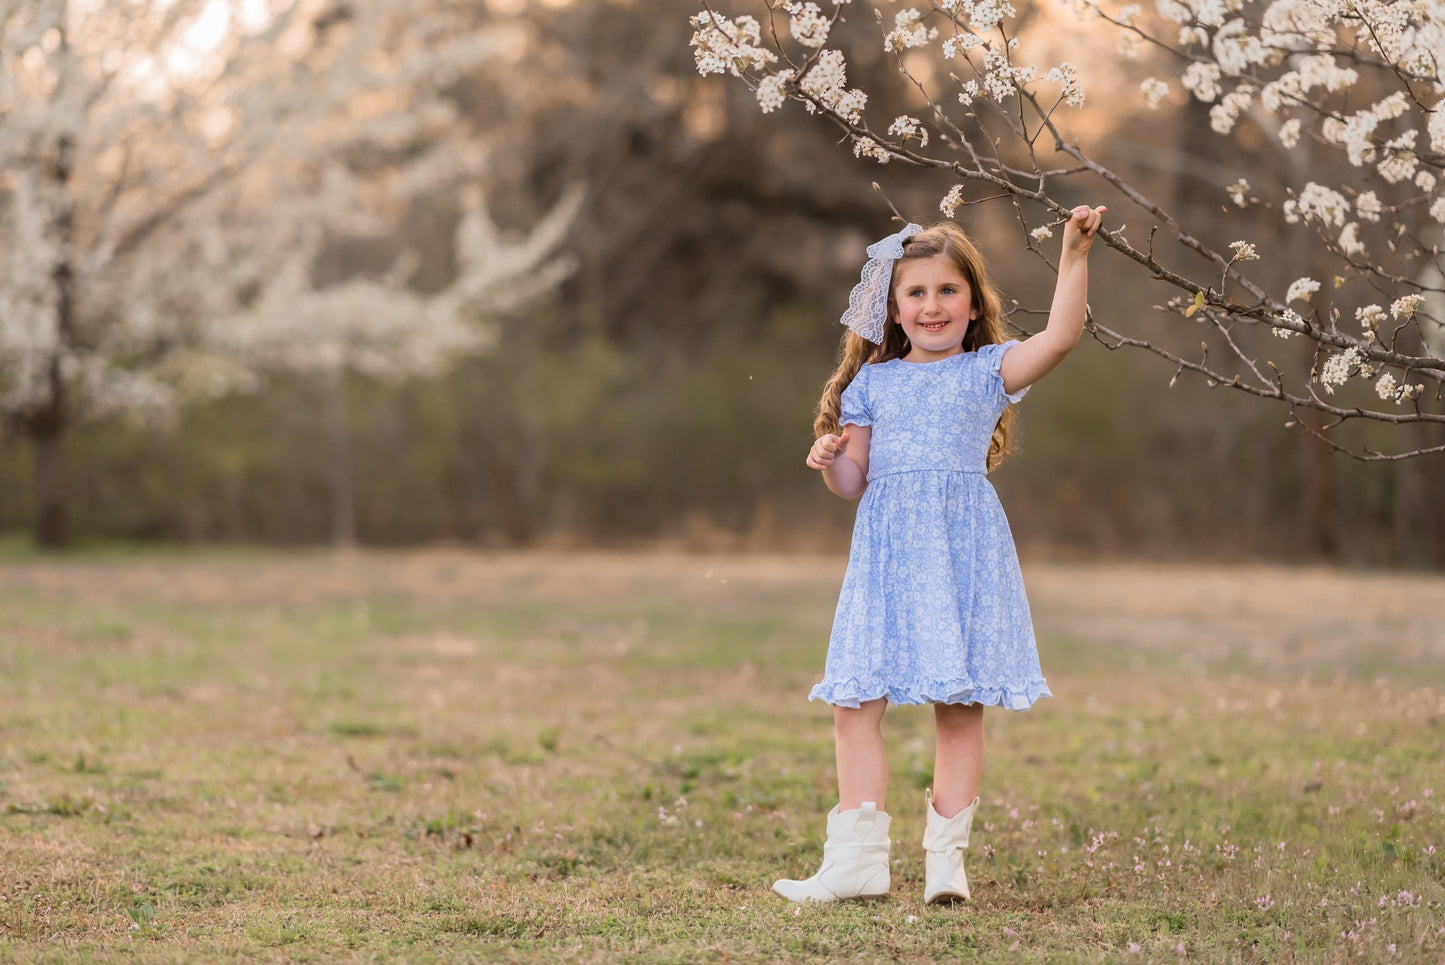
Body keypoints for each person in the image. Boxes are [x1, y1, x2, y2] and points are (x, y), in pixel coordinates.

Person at [772, 206, 1106, 905]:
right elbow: (851, 484)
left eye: (946, 290)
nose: (931, 305)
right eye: (915, 293)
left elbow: (1060, 337)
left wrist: (1073, 256)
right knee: (854, 701)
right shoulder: (873, 383)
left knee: (958, 706)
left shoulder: (987, 370)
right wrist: (829, 456)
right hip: (887, 555)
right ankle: (857, 862)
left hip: (961, 550)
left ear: (972, 303)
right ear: (893, 311)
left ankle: (944, 864)